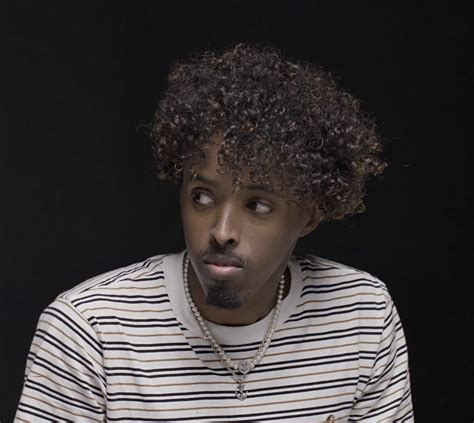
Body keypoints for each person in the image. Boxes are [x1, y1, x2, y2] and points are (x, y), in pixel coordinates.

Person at [15, 44, 413, 422]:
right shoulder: (90, 330)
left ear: (309, 217)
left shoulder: (362, 315)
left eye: (258, 205)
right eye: (202, 197)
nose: (222, 232)